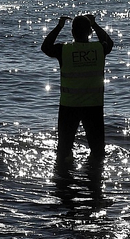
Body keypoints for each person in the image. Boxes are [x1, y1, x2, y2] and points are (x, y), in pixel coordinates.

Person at [42, 14, 114, 164]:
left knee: (63, 150)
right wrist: (94, 24)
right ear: (89, 33)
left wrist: (59, 27)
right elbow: (109, 42)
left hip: (69, 106)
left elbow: (45, 47)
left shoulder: (64, 50)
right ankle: (95, 180)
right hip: (93, 106)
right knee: (98, 151)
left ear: (72, 32)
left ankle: (63, 181)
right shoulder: (99, 48)